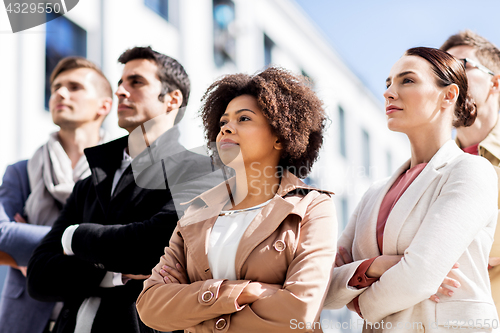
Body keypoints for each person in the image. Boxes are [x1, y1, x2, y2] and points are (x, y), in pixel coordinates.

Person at [27, 47, 218, 333]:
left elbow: (152, 248)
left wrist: (72, 236)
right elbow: (39, 277)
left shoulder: (201, 171)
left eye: (136, 82)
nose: (120, 92)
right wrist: (118, 270)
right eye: (120, 83)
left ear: (172, 99)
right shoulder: (89, 182)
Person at [136, 67, 337, 333]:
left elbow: (298, 312)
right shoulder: (197, 209)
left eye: (244, 119)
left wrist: (196, 309)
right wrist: (240, 293)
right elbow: (150, 306)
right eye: (222, 122)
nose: (227, 128)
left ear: (279, 135)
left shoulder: (311, 206)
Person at [323, 47, 498, 331]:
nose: (389, 92)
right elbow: (324, 284)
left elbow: (420, 275)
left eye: (407, 80)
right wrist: (375, 267)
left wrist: (360, 304)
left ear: (448, 95)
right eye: (388, 83)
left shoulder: (470, 171)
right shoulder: (374, 194)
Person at [0, 57, 112, 333]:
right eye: (56, 87)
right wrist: (90, 243)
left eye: (74, 87)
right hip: (23, 319)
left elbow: (133, 243)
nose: (60, 93)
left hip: (94, 318)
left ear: (104, 106)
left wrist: (38, 259)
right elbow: (1, 234)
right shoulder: (21, 171)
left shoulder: (120, 174)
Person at [440, 30, 500, 316]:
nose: (452, 76)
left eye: (464, 65)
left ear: (496, 82)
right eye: (443, 70)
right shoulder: (426, 170)